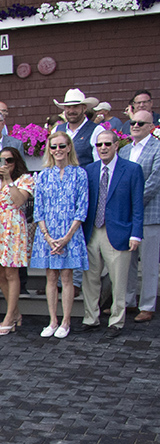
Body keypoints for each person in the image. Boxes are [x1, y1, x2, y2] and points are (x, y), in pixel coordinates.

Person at [79, 131, 145, 337]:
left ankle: (116, 321)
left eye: (107, 143)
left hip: (119, 231)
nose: (103, 148)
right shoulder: (89, 170)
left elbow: (137, 205)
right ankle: (91, 319)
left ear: (117, 145)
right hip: (92, 231)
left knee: (118, 281)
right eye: (99, 145)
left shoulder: (132, 170)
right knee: (90, 279)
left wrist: (136, 234)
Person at [32, 132, 89, 339]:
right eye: (54, 147)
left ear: (69, 148)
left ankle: (66, 321)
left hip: (70, 233)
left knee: (66, 277)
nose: (58, 150)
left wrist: (67, 237)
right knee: (50, 277)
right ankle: (52, 320)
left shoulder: (80, 174)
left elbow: (81, 209)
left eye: (61, 146)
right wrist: (47, 237)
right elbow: (38, 209)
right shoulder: (43, 175)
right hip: (48, 234)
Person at [0, 147, 35, 336]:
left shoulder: (24, 179)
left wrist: (9, 181)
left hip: (13, 227)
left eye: (9, 161)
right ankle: (15, 312)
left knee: (12, 272)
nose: (5, 165)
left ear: (16, 162)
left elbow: (19, 201)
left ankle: (9, 317)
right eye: (1, 161)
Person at [120, 111, 160, 323]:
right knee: (129, 261)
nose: (135, 126)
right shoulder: (125, 150)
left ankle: (147, 305)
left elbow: (154, 181)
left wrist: (133, 204)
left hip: (149, 214)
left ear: (151, 126)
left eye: (140, 123)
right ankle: (128, 301)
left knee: (150, 263)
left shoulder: (158, 148)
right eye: (132, 122)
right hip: (128, 215)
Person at [52, 88, 106, 168]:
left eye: (75, 107)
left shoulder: (97, 131)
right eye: (68, 107)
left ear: (84, 108)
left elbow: (99, 164)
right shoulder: (56, 130)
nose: (71, 111)